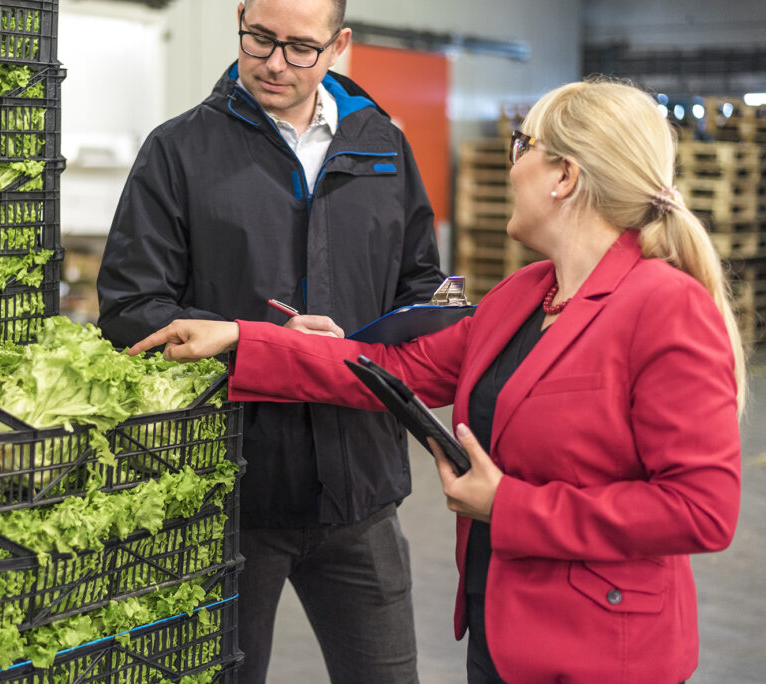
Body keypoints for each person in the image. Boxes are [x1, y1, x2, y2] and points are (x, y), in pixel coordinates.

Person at [127, 79, 746, 684]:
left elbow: (700, 510)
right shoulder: (523, 296)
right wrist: (244, 338)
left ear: (565, 176)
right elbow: (392, 372)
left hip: (600, 646)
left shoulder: (664, 306)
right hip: (499, 626)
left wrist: (509, 506)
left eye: (521, 148)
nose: (512, 168)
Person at [96, 0, 445, 681]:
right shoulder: (180, 151)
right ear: (240, 21)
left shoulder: (382, 147)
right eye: (259, 38)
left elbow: (420, 284)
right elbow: (130, 311)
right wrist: (261, 340)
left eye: (300, 47)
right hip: (229, 492)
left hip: (361, 491)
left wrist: (422, 323)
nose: (275, 62)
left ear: (339, 44)